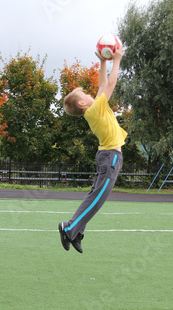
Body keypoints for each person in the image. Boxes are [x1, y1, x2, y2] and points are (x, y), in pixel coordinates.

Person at [58, 44, 126, 253]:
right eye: (86, 94)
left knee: (94, 195)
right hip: (110, 156)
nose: (92, 94)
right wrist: (117, 60)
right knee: (98, 198)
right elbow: (110, 84)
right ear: (82, 104)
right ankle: (69, 227)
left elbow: (102, 84)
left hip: (107, 155)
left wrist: (103, 61)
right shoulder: (95, 109)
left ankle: (77, 231)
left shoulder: (93, 109)